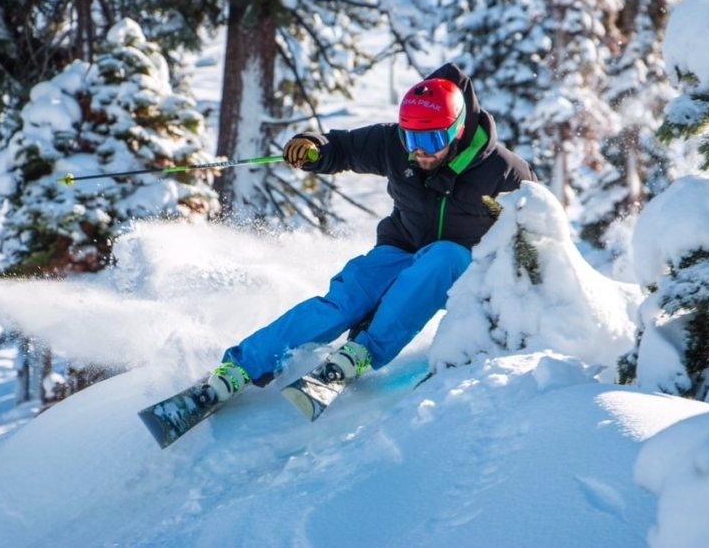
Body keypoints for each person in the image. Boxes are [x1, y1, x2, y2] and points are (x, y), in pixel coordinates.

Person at [206, 63, 536, 402]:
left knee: (444, 255)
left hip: (461, 271)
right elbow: (344, 147)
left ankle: (363, 351)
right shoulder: (396, 145)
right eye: (412, 138)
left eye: (432, 139)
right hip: (401, 246)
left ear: (457, 129)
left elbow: (537, 231)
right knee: (344, 302)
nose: (419, 150)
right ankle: (242, 365)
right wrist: (313, 147)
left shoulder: (504, 172)